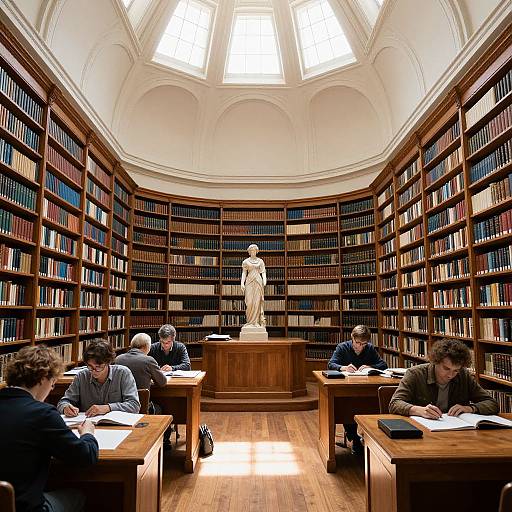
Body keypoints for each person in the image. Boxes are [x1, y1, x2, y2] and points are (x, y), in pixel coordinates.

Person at [0, 345, 98, 512]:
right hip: (24, 507)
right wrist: (88, 433)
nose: (52, 388)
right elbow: (85, 457)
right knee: (77, 496)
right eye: (53, 383)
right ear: (44, 378)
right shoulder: (42, 413)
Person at [389, 338, 498, 418]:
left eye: (456, 370)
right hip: (421, 431)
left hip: (457, 432)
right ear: (435, 361)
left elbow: (492, 403)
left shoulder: (463, 376)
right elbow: (394, 403)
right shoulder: (415, 374)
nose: (451, 375)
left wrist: (470, 408)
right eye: (446, 368)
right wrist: (418, 410)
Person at [327, 325, 387, 455]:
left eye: (363, 344)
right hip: (346, 389)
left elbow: (383, 365)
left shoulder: (369, 349)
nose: (360, 346)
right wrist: (343, 368)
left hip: (365, 387)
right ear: (352, 338)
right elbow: (331, 364)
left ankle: (369, 439)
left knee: (372, 404)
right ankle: (354, 437)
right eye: (357, 343)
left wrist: (370, 366)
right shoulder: (342, 347)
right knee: (348, 406)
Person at [57, 339, 140, 417]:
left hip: (118, 426)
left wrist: (107, 408)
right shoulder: (82, 376)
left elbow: (134, 405)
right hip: (87, 425)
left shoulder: (123, 373)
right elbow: (63, 402)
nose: (93, 371)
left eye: (98, 367)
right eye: (90, 366)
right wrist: (65, 408)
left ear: (108, 362)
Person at [240, 244, 267, 327]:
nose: (253, 252)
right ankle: (250, 322)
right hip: (249, 282)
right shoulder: (246, 262)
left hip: (258, 282)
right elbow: (244, 273)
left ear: (256, 251)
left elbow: (263, 272)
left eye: (254, 250)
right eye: (251, 250)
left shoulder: (260, 261)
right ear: (249, 252)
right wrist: (242, 283)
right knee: (250, 302)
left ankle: (256, 322)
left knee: (257, 302)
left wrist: (264, 281)